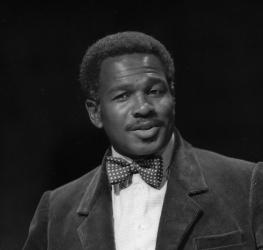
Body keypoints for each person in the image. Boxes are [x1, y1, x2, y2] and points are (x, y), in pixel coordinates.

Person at [23, 31, 263, 250]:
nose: (143, 108)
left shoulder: (246, 185)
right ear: (95, 113)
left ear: (173, 96)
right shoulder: (56, 210)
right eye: (122, 96)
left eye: (154, 91)